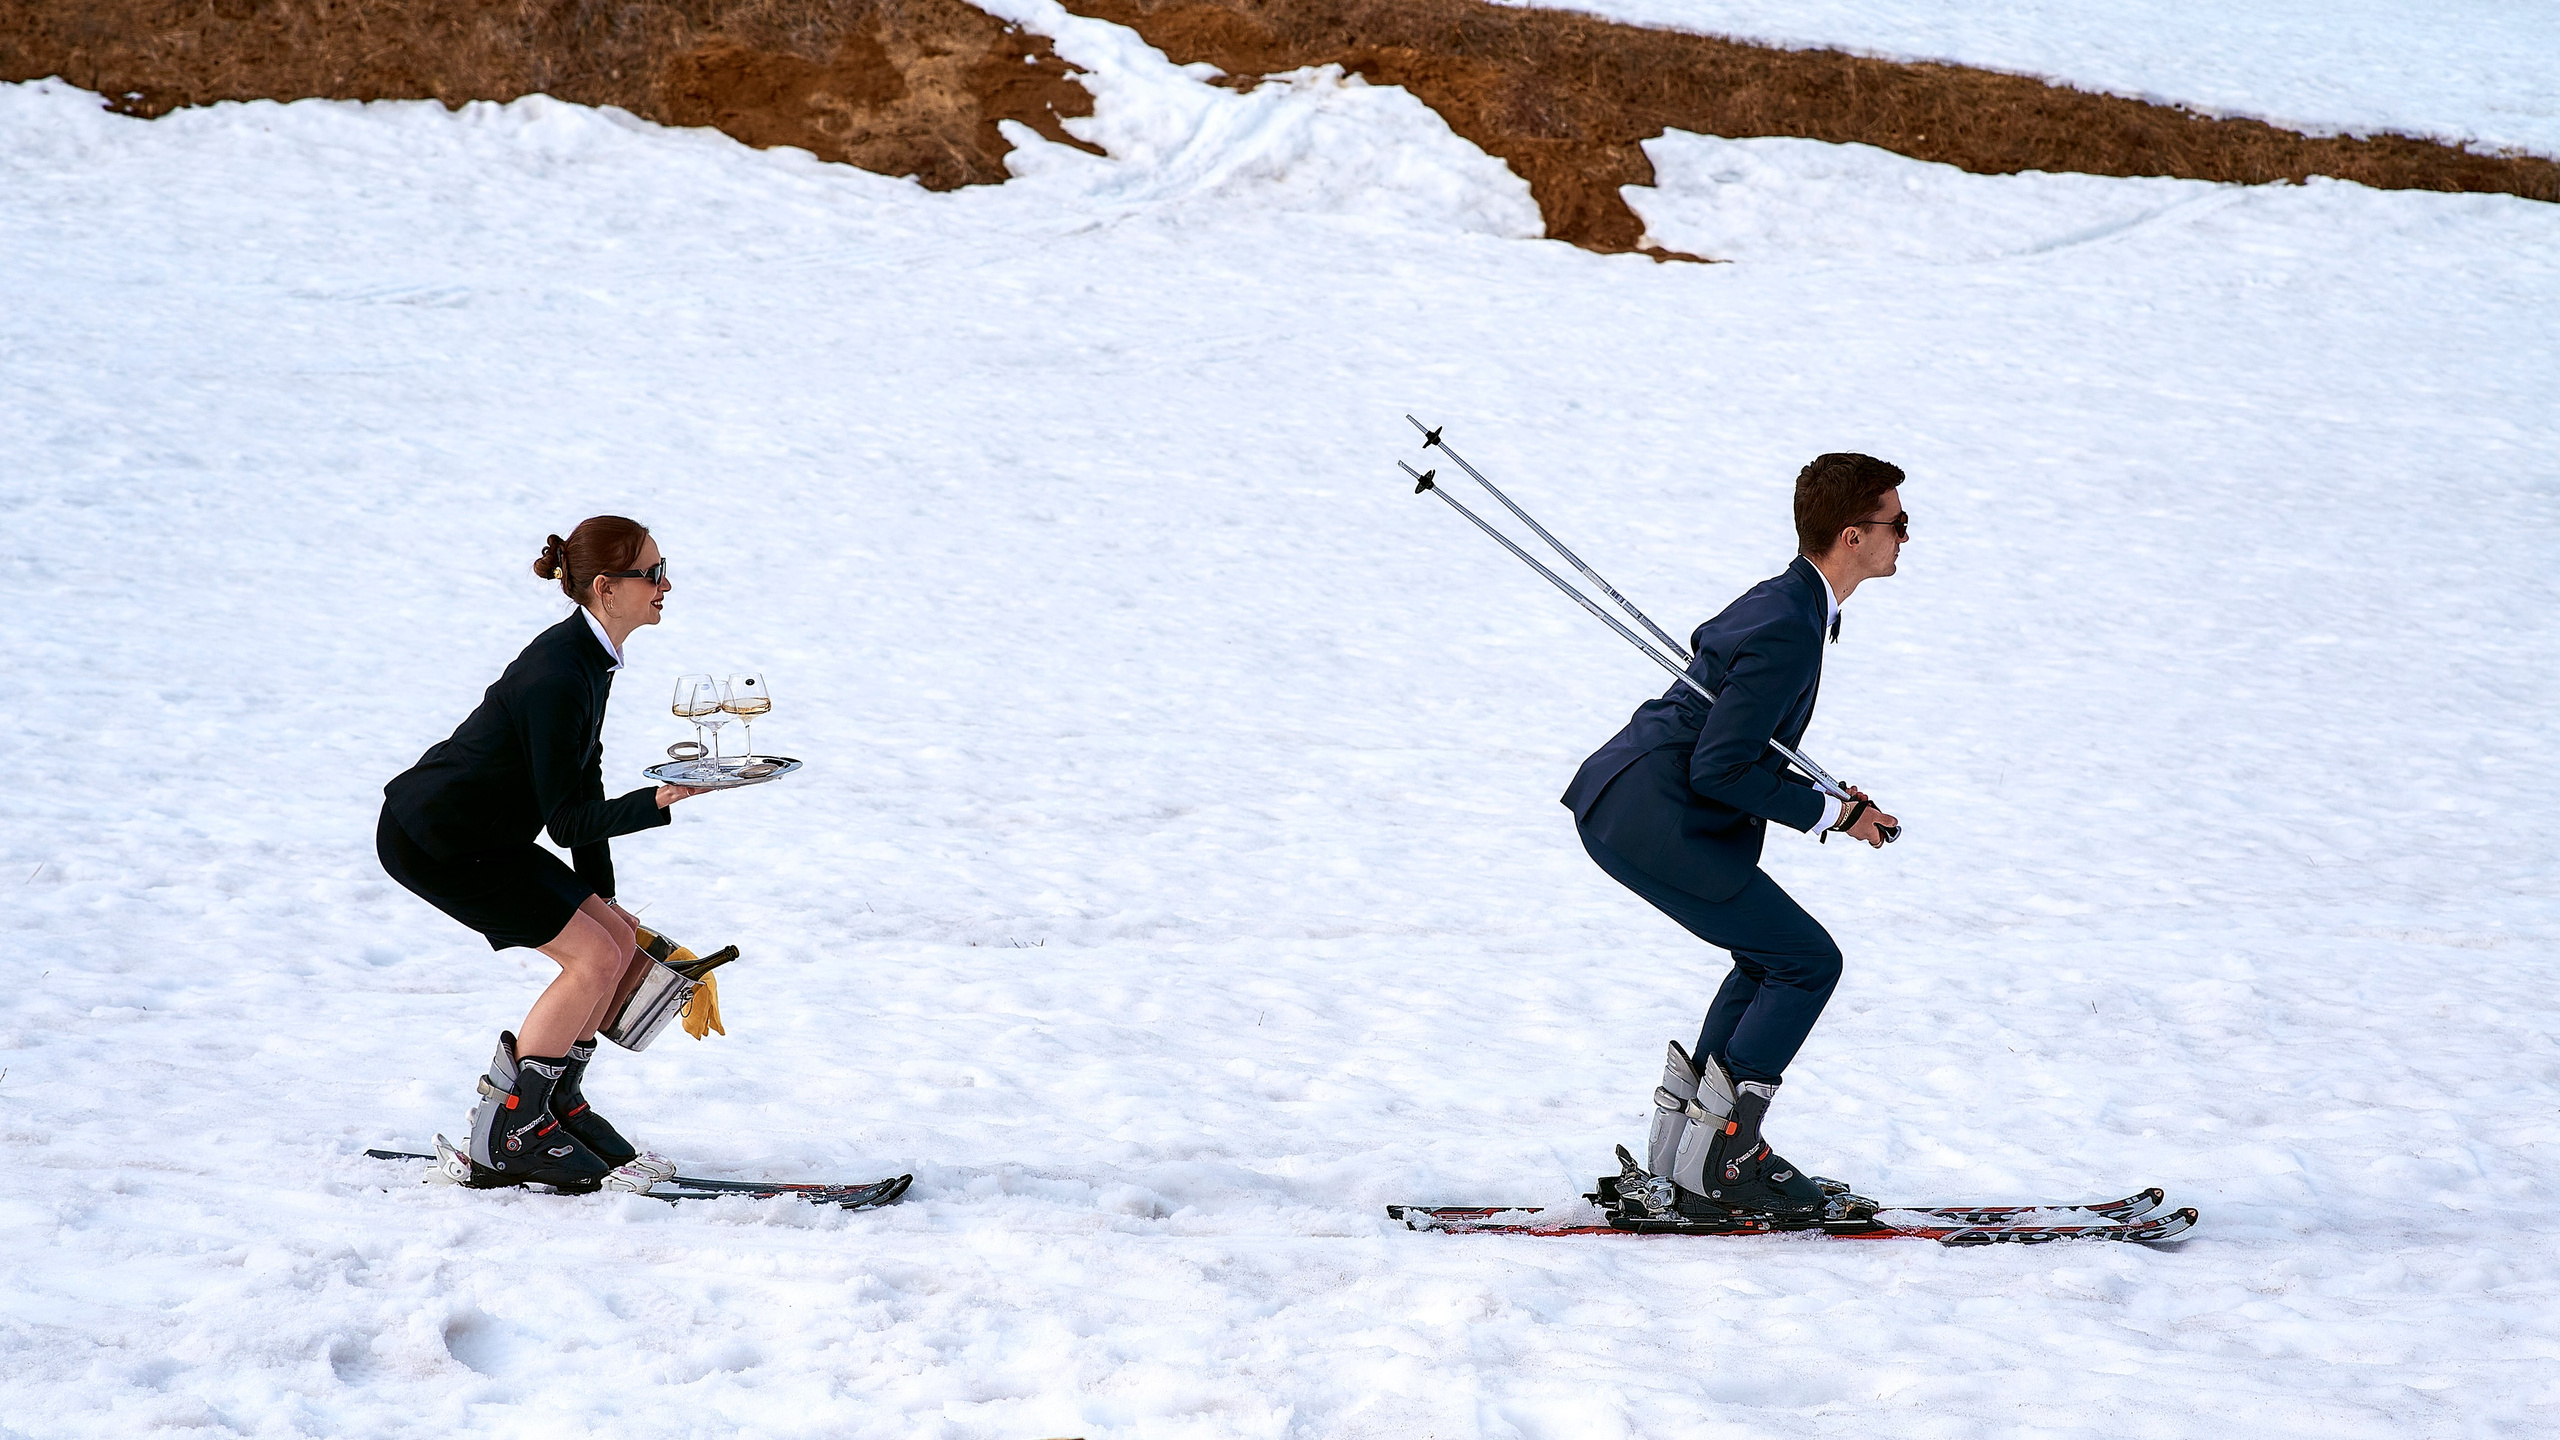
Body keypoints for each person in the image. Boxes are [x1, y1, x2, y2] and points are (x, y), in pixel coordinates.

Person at [1560, 454, 1907, 1218]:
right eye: (1897, 523)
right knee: (1808, 961)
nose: (1905, 538)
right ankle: (1726, 1156)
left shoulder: (1788, 601)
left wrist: (1829, 799)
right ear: (1852, 535)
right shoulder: (1790, 624)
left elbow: (1734, 733)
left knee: (1768, 958)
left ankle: (1683, 1154)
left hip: (1632, 806)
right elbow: (1722, 765)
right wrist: (1830, 816)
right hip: (1656, 819)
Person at [378, 516, 710, 1191]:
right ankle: (511, 1130)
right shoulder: (561, 672)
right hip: (440, 840)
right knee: (591, 960)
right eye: (651, 573)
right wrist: (658, 801)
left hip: (485, 833)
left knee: (614, 940)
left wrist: (603, 892)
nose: (665, 583)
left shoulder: (590, 656)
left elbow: (581, 777)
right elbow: (566, 820)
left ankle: (556, 1106)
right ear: (604, 587)